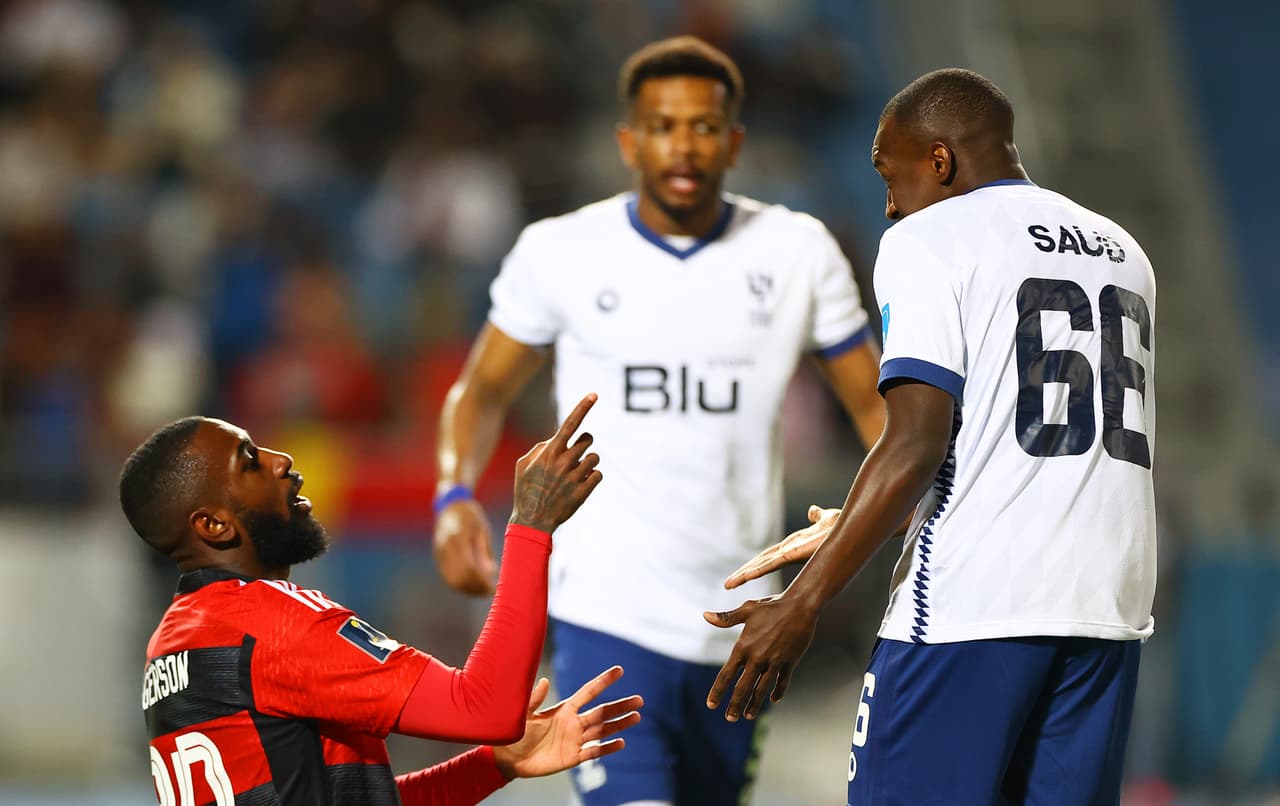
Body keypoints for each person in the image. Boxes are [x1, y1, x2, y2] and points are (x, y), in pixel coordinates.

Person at [432, 36, 886, 806]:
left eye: (704, 127)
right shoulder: (561, 252)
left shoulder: (797, 251)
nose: (684, 144)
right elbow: (477, 392)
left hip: (740, 624)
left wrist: (887, 509)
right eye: (664, 125)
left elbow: (884, 414)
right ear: (628, 140)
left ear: (734, 141)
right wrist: (452, 498)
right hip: (604, 611)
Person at [706, 68, 1157, 805]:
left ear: (938, 161)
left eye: (891, 174)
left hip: (972, 607)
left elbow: (915, 443)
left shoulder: (932, 236)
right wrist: (862, 521)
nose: (889, 205)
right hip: (1107, 606)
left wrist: (804, 603)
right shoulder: (1122, 250)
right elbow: (1027, 449)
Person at [126, 394, 645, 805]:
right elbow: (484, 708)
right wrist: (531, 526)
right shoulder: (273, 625)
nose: (282, 460)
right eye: (250, 461)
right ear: (213, 524)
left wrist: (493, 764)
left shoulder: (172, 645)